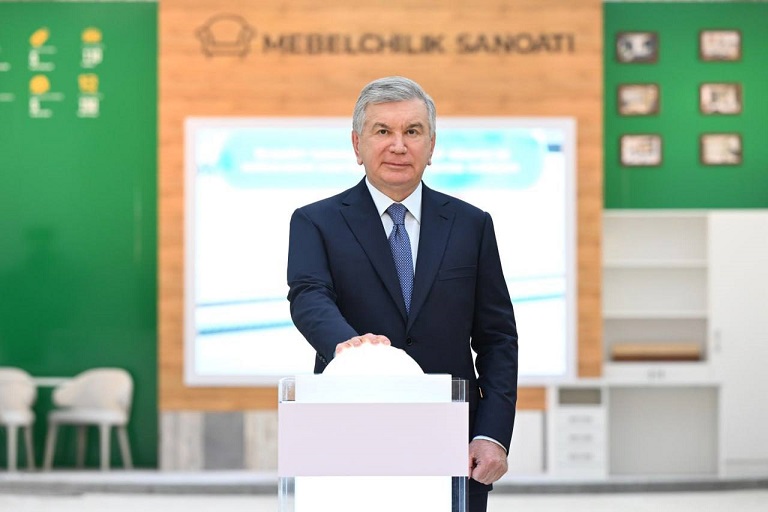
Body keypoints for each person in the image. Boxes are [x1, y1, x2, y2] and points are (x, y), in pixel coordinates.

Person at [286, 76, 518, 512]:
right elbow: (308, 295)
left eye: (412, 131)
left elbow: (498, 338)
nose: (398, 145)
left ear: (432, 145)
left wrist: (492, 434)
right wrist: (352, 349)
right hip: (351, 429)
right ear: (357, 144)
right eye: (382, 131)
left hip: (452, 442)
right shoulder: (316, 222)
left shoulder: (472, 225)